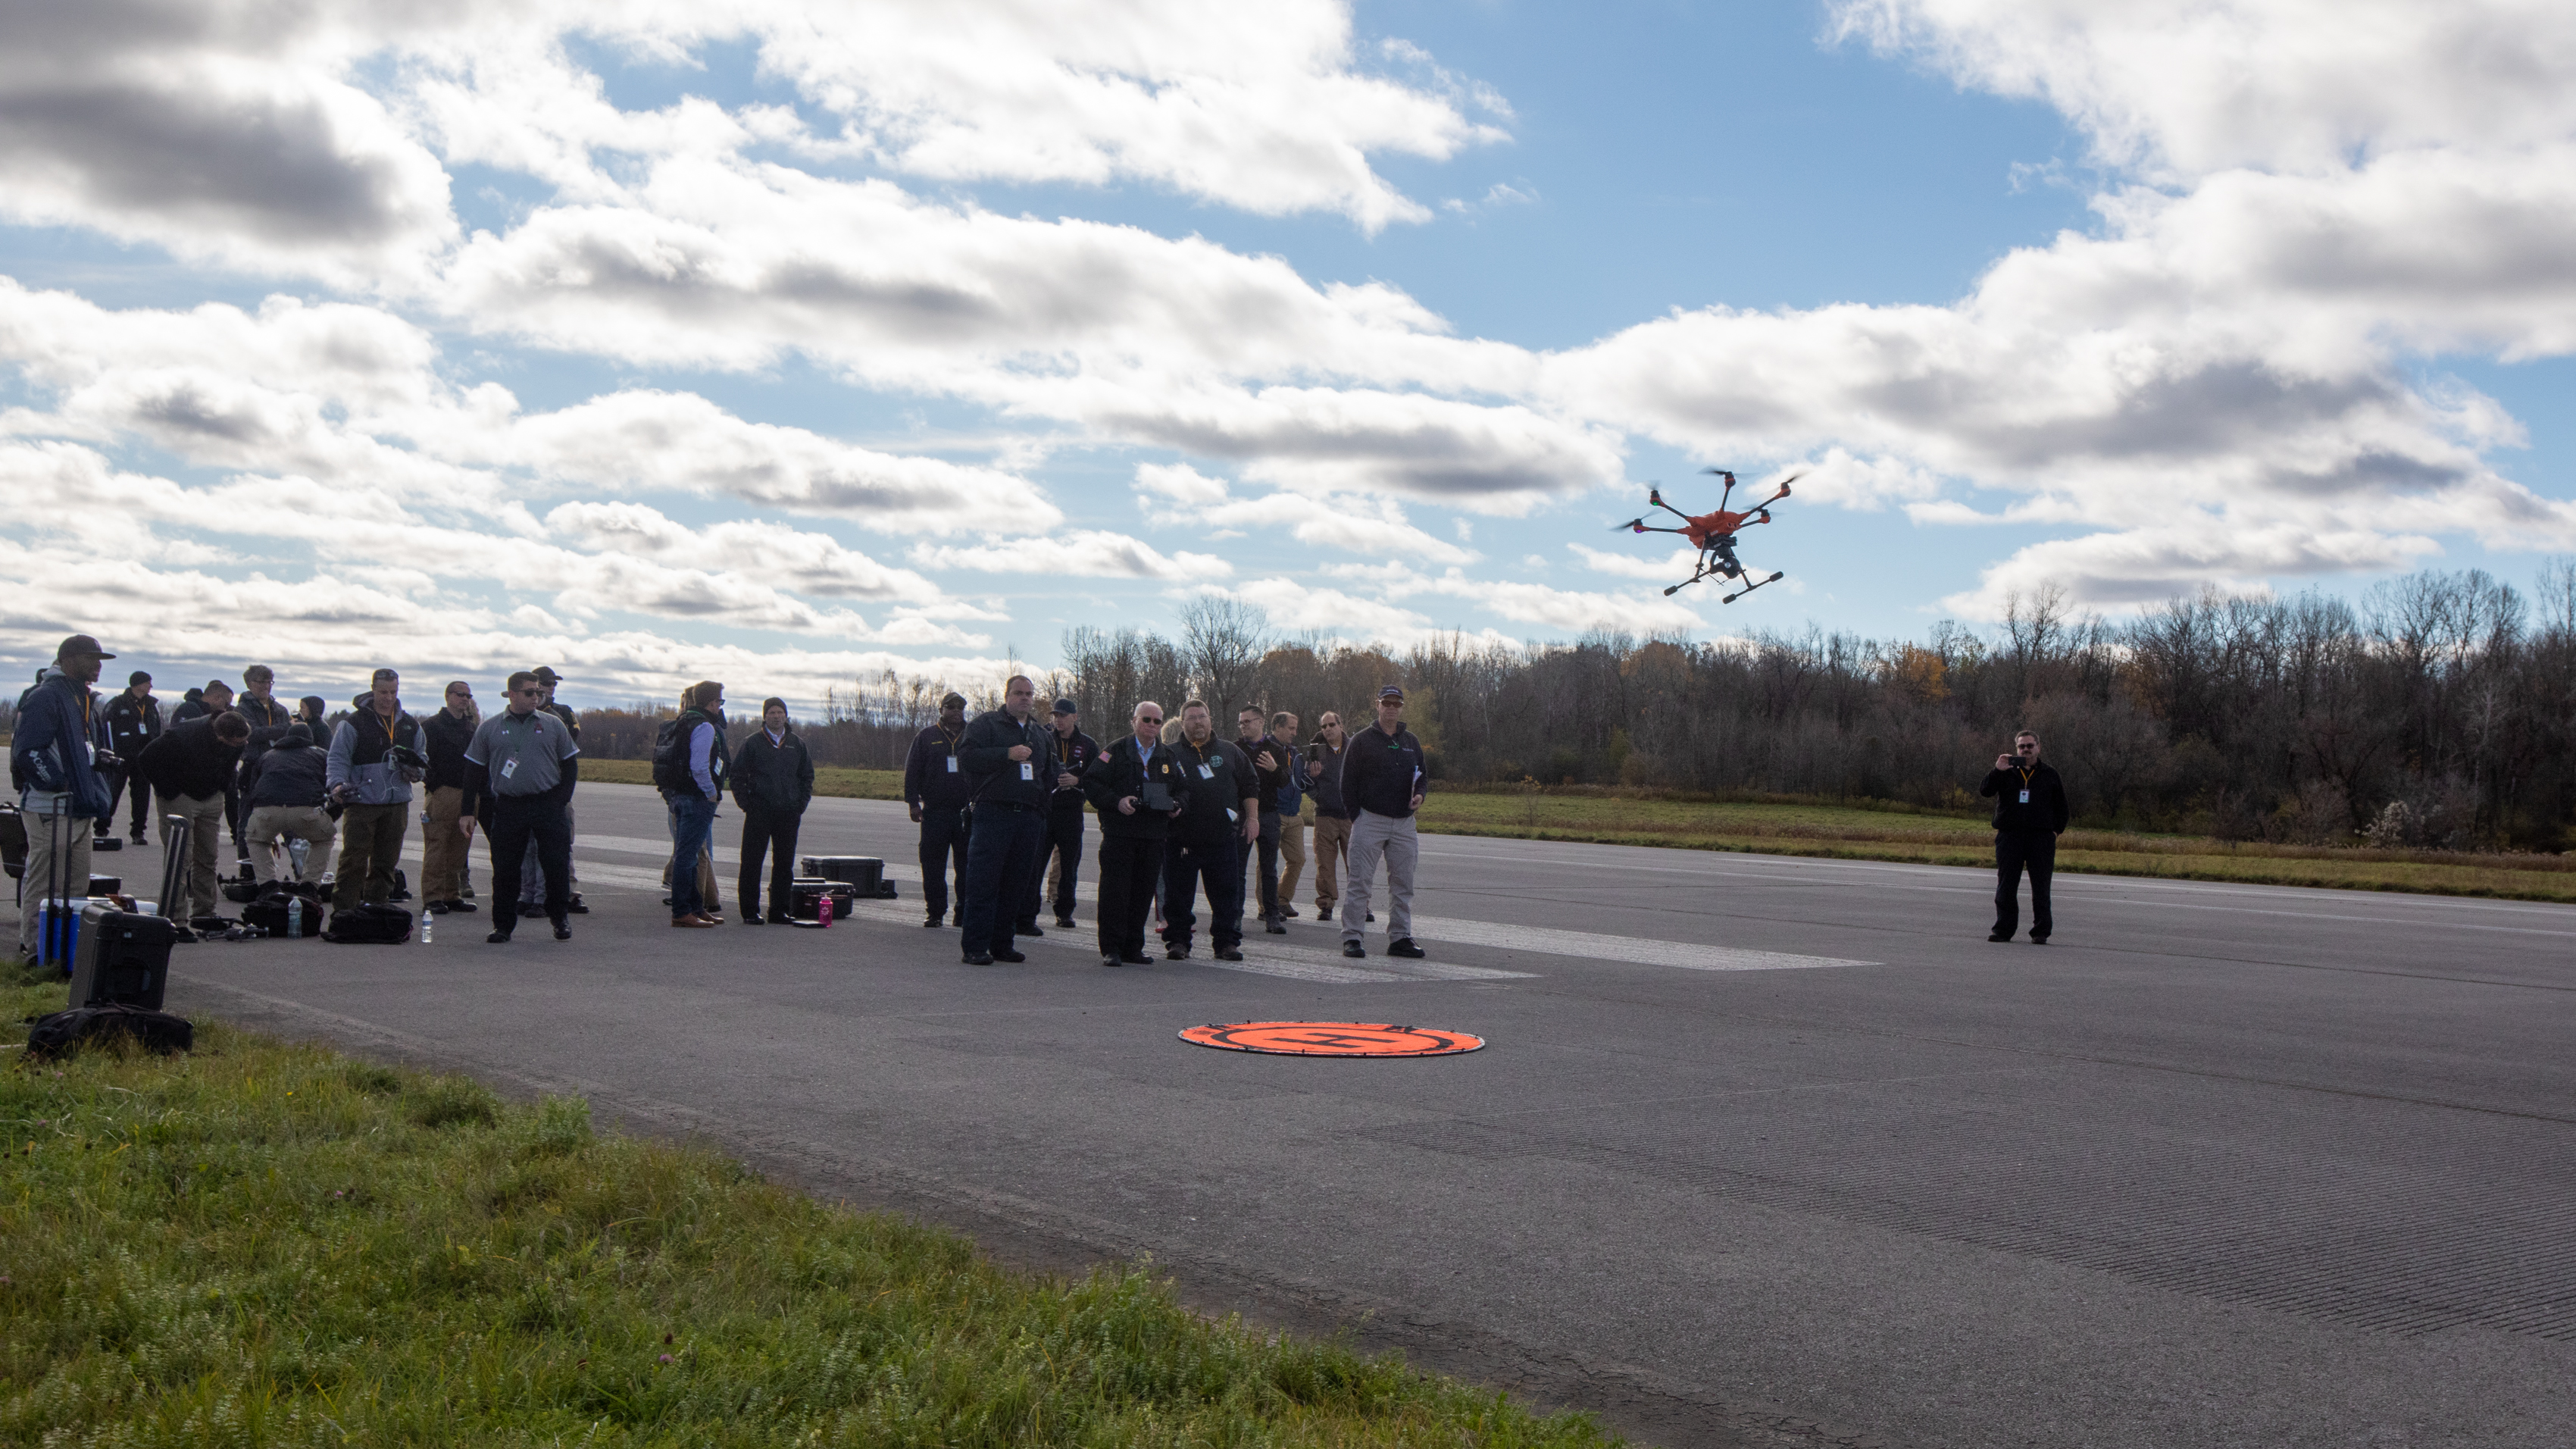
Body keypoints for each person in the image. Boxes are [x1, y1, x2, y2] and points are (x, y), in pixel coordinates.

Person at [11, 635, 116, 959]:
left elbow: (75, 750)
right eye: (91, 658)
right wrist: (59, 783)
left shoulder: (82, 698)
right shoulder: (46, 696)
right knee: (44, 884)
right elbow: (27, 751)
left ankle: (63, 953)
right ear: (68, 659)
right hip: (50, 807)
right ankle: (35, 949)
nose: (98, 665)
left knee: (74, 888)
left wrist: (97, 764)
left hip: (80, 807)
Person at [458, 671, 583, 943]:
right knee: (505, 869)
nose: (536, 697)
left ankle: (560, 918)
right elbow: (474, 771)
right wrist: (467, 810)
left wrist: (560, 800)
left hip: (547, 803)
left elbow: (570, 765)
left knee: (555, 865)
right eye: (529, 693)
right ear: (512, 694)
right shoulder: (490, 728)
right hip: (509, 805)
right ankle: (502, 925)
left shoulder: (553, 724)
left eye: (538, 692)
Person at [1083, 699, 1188, 965]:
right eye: (1146, 720)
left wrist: (1178, 806)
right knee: (1115, 893)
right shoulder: (1115, 751)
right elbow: (1092, 782)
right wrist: (1116, 801)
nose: (1152, 725)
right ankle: (1112, 948)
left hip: (1153, 836)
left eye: (1157, 721)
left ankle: (1133, 947)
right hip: (1120, 834)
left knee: (1142, 893)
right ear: (1134, 721)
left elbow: (1183, 789)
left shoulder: (1168, 756)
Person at [955, 675, 1052, 965]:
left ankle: (1003, 944)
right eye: (1019, 693)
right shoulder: (985, 725)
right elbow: (967, 758)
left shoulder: (1039, 733)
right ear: (1007, 695)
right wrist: (1006, 754)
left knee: (1015, 884)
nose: (1025, 698)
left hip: (1028, 817)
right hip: (993, 813)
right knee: (984, 882)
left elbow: (1048, 772)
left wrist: (1042, 805)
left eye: (1029, 694)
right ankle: (975, 947)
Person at [1161, 700, 1259, 962]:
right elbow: (1156, 788)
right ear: (1183, 723)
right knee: (1178, 895)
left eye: (1202, 717)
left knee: (1226, 894)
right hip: (1181, 839)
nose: (1198, 722)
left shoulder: (1230, 751)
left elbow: (1250, 785)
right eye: (1191, 718)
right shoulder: (1169, 753)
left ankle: (1226, 943)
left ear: (1210, 719)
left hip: (1222, 838)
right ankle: (1178, 941)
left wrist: (1253, 819)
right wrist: (1166, 808)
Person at [1338, 686, 1427, 960]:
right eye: (1386, 703)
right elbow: (1347, 783)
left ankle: (1400, 937)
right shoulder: (1362, 741)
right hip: (1370, 820)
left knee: (1403, 883)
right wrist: (1358, 818)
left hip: (1403, 824)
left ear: (1401, 707)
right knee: (1360, 882)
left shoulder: (1410, 741)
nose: (1391, 708)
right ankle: (1353, 937)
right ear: (1377, 705)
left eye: (1396, 703)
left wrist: (1420, 795)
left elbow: (1422, 776)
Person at [324, 669, 424, 910]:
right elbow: (337, 758)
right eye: (383, 692)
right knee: (354, 859)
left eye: (393, 691)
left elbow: (422, 758)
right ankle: (345, 911)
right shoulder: (353, 723)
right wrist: (337, 784)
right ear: (373, 689)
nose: (388, 697)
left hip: (397, 802)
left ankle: (377, 908)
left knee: (386, 862)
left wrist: (416, 772)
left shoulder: (410, 725)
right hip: (362, 802)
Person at [137, 709, 249, 923]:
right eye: (236, 743)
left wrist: (221, 787)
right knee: (179, 859)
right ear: (220, 737)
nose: (241, 747)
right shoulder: (182, 736)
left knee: (208, 857)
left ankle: (205, 913)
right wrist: (169, 792)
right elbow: (147, 758)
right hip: (180, 796)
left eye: (243, 742)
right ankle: (174, 918)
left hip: (211, 796)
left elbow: (230, 764)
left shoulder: (238, 737)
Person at [731, 696, 814, 925]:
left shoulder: (797, 744)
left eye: (780, 713)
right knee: (751, 862)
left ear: (786, 716)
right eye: (772, 713)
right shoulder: (753, 743)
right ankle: (750, 911)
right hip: (759, 812)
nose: (776, 717)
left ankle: (779, 910)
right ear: (765, 716)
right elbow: (737, 775)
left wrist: (800, 804)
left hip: (788, 813)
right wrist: (747, 804)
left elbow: (807, 777)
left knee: (784, 863)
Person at [1980, 730, 2068, 944]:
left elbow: (2062, 808)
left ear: (2038, 747)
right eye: (2022, 746)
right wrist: (1997, 771)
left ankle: (2040, 932)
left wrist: (2055, 832)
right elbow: (1985, 791)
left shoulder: (2050, 774)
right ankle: (2003, 930)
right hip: (2010, 837)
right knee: (2006, 885)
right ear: (2016, 749)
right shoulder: (2006, 771)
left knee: (2041, 887)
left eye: (2030, 746)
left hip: (2041, 839)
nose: (2026, 750)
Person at [902, 692, 972, 928]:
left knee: (967, 866)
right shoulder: (927, 736)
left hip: (966, 812)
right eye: (950, 707)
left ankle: (963, 912)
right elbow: (912, 771)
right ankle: (935, 911)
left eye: (960, 707)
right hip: (935, 811)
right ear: (941, 709)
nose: (955, 711)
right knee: (932, 865)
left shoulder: (972, 735)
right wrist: (913, 803)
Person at [664, 681, 730, 928]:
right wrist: (712, 793)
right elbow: (700, 766)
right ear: (711, 702)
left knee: (688, 855)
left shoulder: (683, 721)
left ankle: (696, 907)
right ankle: (682, 911)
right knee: (687, 857)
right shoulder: (704, 726)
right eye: (719, 702)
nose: (719, 706)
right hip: (696, 798)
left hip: (679, 796)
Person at [1030, 698, 1099, 931]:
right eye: (1055, 716)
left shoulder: (1088, 744)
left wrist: (1077, 781)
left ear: (1074, 717)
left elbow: (1098, 778)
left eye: (1062, 716)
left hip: (1071, 813)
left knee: (1069, 867)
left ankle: (1065, 912)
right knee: (1035, 865)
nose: (1058, 720)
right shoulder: (1043, 738)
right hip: (1045, 811)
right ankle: (1028, 913)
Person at [238, 722, 334, 886]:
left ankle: (268, 885)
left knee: (257, 841)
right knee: (323, 840)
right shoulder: (322, 755)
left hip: (267, 809)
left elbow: (253, 790)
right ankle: (309, 885)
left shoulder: (267, 755)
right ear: (310, 739)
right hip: (306, 808)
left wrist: (266, 829)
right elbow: (331, 788)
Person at [529, 667, 587, 914]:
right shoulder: (522, 712)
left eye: (553, 684)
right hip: (531, 787)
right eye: (545, 683)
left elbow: (570, 737)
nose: (550, 688)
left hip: (556, 786)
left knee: (562, 843)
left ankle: (569, 892)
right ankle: (531, 893)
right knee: (530, 846)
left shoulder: (561, 712)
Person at [418, 681, 480, 914]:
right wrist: (434, 784)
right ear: (448, 696)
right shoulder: (432, 726)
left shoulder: (470, 727)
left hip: (469, 793)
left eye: (468, 695)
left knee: (459, 847)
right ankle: (432, 897)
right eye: (460, 694)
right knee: (437, 846)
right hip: (443, 792)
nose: (465, 699)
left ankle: (451, 894)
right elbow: (421, 759)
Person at [1235, 705, 1291, 934]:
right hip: (1242, 816)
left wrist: (1275, 768)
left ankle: (1271, 915)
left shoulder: (1276, 749)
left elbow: (1286, 781)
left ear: (1260, 722)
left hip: (1268, 814)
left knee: (1269, 868)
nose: (1243, 726)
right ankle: (1234, 916)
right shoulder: (1235, 749)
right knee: (1237, 868)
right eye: (1241, 722)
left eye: (1247, 721)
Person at [102, 670, 161, 847]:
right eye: (148, 682)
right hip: (121, 756)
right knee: (112, 792)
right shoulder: (117, 704)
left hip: (142, 757)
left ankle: (138, 832)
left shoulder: (151, 705)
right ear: (138, 684)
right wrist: (109, 752)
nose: (151, 686)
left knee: (142, 795)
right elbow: (106, 727)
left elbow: (155, 728)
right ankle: (102, 828)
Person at [1305, 711, 1352, 921]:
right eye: (1324, 727)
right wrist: (1319, 796)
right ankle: (1326, 904)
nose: (1328, 730)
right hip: (1324, 815)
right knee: (1324, 863)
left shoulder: (1354, 748)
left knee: (1357, 863)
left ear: (1340, 725)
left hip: (1351, 816)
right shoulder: (1315, 752)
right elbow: (1305, 783)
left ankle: (1362, 905)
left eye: (1332, 725)